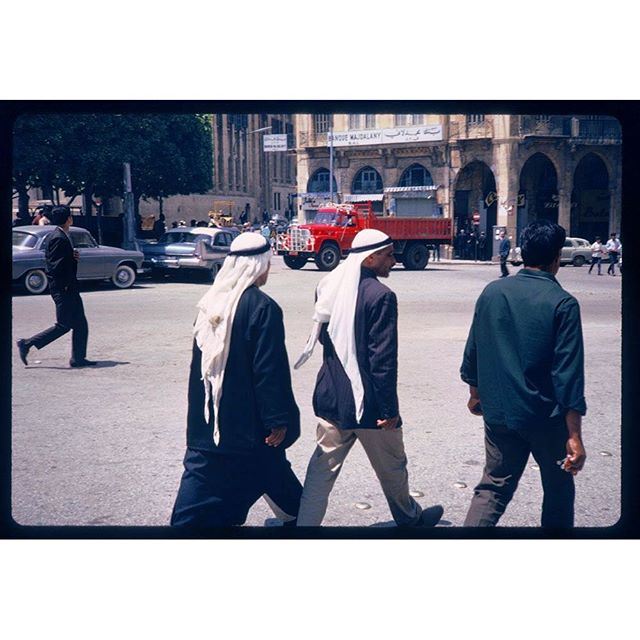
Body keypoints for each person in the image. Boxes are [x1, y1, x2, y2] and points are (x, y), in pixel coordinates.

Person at [294, 229, 444, 527]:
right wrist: (389, 411)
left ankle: (304, 528)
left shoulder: (328, 286)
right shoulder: (382, 296)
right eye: (388, 255)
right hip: (371, 406)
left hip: (333, 397)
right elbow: (382, 361)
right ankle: (410, 519)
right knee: (393, 467)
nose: (394, 260)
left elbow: (327, 340)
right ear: (370, 258)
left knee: (321, 471)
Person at [460, 220, 587, 527]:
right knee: (558, 488)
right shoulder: (563, 303)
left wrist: (476, 395)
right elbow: (568, 375)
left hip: (500, 414)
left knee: (493, 488)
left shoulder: (492, 292)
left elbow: (473, 350)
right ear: (556, 258)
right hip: (545, 418)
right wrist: (575, 436)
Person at [171, 232, 303, 527]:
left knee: (204, 489)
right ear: (259, 265)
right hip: (249, 428)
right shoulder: (263, 307)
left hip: (210, 422)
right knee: (268, 472)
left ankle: (299, 519)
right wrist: (277, 419)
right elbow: (269, 370)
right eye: (267, 263)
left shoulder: (209, 302)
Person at [16, 206, 96, 368]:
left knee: (80, 324)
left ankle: (78, 358)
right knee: (64, 325)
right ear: (69, 219)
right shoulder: (58, 237)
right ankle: (27, 343)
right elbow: (55, 267)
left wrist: (72, 257)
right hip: (64, 288)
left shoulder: (60, 235)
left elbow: (57, 261)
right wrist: (65, 285)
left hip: (68, 287)